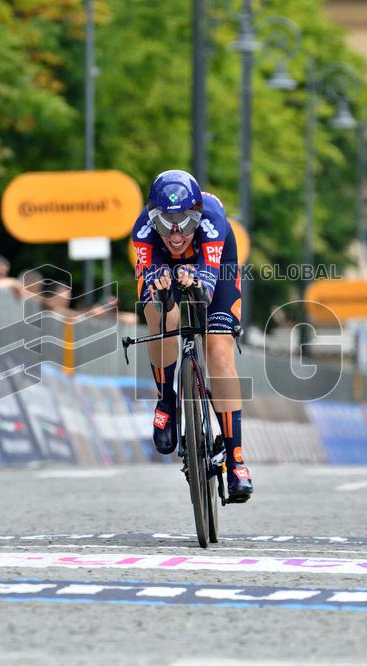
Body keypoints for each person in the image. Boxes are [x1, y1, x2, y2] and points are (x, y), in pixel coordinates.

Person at [132, 169, 252, 502]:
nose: (175, 234)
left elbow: (209, 290)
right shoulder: (142, 231)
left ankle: (236, 459)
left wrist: (196, 280)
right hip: (164, 268)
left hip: (212, 267)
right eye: (165, 222)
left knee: (219, 351)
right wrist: (160, 286)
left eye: (185, 223)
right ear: (152, 216)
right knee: (159, 314)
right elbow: (148, 277)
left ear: (197, 214)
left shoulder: (213, 219)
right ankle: (166, 401)